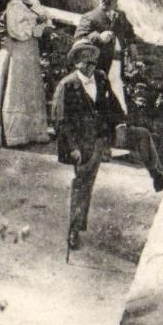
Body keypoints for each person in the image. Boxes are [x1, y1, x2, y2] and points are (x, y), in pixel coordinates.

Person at [52, 39, 116, 252]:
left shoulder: (100, 79)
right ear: (76, 62)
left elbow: (110, 107)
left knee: (87, 184)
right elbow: (61, 121)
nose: (89, 63)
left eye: (92, 59)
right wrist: (73, 148)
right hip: (80, 145)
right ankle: (73, 229)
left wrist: (111, 134)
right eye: (84, 59)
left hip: (97, 140)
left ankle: (77, 225)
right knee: (81, 185)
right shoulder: (67, 85)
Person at [0, 0, 52, 148]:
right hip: (16, 50)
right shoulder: (14, 5)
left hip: (31, 51)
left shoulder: (35, 3)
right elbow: (16, 30)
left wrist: (43, 22)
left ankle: (31, 133)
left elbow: (47, 22)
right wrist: (35, 25)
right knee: (14, 88)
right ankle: (10, 134)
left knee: (29, 89)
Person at [73, 0, 138, 116]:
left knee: (118, 95)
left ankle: (119, 124)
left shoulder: (120, 16)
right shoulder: (89, 17)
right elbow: (79, 38)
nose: (106, 1)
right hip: (99, 64)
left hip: (118, 64)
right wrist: (98, 37)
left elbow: (129, 31)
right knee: (100, 95)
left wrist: (132, 44)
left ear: (116, 0)